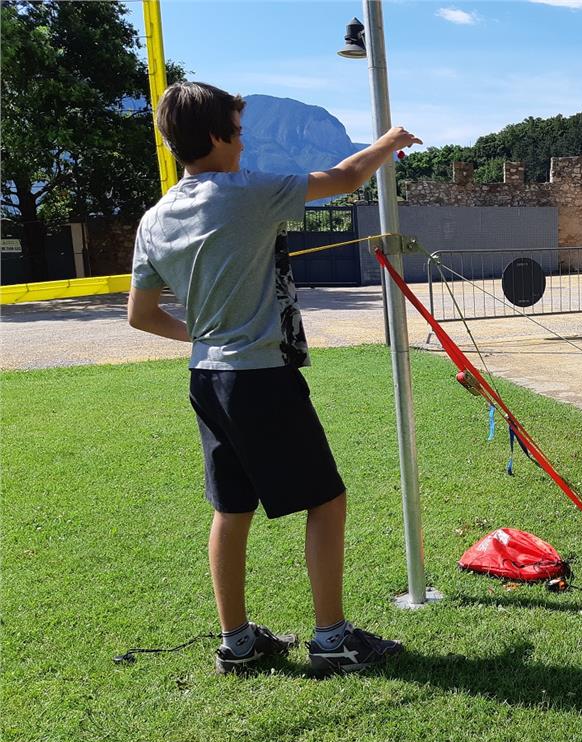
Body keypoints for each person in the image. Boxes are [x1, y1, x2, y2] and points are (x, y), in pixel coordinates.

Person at [128, 81, 421, 675]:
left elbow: (141, 315)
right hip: (260, 378)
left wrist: (206, 337)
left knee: (231, 507)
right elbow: (345, 178)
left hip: (207, 378)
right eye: (238, 133)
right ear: (215, 137)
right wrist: (388, 141)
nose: (244, 144)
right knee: (327, 501)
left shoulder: (154, 220)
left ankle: (237, 645)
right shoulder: (245, 193)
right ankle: (333, 641)